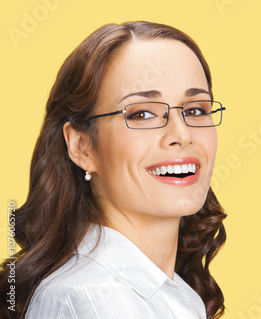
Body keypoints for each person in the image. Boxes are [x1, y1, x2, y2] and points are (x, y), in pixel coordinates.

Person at [0, 21, 227, 319]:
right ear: (82, 146)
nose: (182, 134)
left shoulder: (176, 294)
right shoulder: (89, 301)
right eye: (142, 113)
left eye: (195, 110)